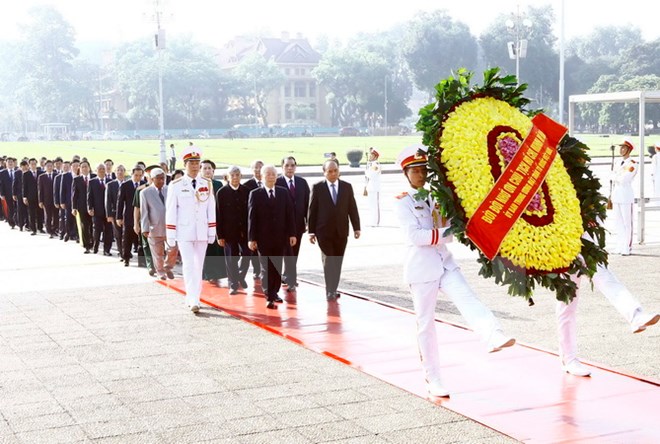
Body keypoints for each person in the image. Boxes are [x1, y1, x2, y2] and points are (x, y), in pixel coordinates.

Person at [394, 144, 515, 398]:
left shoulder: (436, 196)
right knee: (425, 325)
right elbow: (416, 236)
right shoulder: (402, 202)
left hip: (444, 262)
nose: (420, 174)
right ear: (405, 173)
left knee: (467, 297)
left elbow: (448, 224)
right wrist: (446, 234)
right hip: (421, 269)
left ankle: (493, 335)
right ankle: (433, 378)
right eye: (414, 170)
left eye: (423, 169)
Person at [557, 261, 660, 377]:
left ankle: (635, 315)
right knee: (567, 304)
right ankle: (569, 359)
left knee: (606, 278)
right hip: (561, 252)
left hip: (586, 247)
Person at [166, 147, 217, 313]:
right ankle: (192, 298)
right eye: (191, 163)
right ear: (185, 164)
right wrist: (171, 234)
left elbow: (211, 208)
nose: (195, 166)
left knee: (198, 266)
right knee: (188, 265)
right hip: (184, 231)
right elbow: (171, 210)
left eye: (197, 163)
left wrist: (212, 231)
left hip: (202, 231)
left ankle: (196, 296)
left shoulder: (206, 183)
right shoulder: (176, 185)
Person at [308, 159, 361, 300]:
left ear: (339, 171)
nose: (333, 174)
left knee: (337, 261)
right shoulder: (317, 187)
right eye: (329, 171)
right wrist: (311, 231)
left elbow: (352, 208)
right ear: (324, 172)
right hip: (323, 232)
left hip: (341, 231)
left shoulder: (347, 187)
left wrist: (357, 227)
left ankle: (334, 288)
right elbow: (312, 210)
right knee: (329, 260)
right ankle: (329, 290)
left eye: (335, 171)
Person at [248, 165, 296, 309]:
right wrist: (252, 238)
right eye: (267, 174)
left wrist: (292, 234)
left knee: (277, 266)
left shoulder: (283, 193)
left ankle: (274, 292)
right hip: (263, 238)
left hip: (280, 237)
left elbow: (289, 215)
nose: (270, 176)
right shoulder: (255, 194)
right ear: (262, 176)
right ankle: (269, 294)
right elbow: (252, 218)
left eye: (273, 174)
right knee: (266, 267)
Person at [276, 156, 310, 291]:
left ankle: (289, 276)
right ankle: (289, 278)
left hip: (298, 225)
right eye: (287, 166)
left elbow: (308, 204)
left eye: (292, 165)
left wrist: (308, 222)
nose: (290, 168)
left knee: (294, 252)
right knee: (286, 252)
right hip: (282, 226)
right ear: (282, 167)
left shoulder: (302, 182)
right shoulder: (277, 182)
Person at [216, 165, 250, 294]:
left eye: (237, 175)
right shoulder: (222, 193)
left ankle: (240, 275)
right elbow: (218, 215)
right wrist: (220, 235)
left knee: (247, 254)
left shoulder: (247, 191)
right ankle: (233, 284)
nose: (235, 177)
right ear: (227, 177)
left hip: (244, 232)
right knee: (232, 258)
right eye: (232, 175)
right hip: (228, 232)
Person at [141, 167, 178, 280]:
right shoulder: (145, 192)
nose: (162, 180)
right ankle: (160, 272)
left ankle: (168, 267)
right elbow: (144, 211)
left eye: (163, 178)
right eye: (159, 178)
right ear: (152, 179)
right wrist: (145, 228)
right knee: (157, 253)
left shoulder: (170, 189)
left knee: (173, 248)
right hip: (154, 227)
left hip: (170, 227)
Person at [200, 159, 227, 285]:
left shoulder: (218, 184)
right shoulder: (198, 184)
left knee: (217, 247)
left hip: (217, 221)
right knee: (206, 248)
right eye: (204, 168)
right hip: (203, 221)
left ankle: (219, 272)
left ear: (213, 170)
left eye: (209, 168)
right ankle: (208, 273)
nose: (207, 170)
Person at [610, 139, 638, 256]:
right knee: (618, 222)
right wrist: (616, 176)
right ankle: (619, 245)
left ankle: (627, 246)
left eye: (623, 148)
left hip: (626, 196)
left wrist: (615, 176)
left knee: (627, 223)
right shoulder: (617, 162)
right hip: (616, 195)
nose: (621, 150)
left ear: (629, 150)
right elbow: (612, 176)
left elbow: (624, 179)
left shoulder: (632, 163)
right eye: (620, 147)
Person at [116, 166, 145, 266]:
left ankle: (142, 261)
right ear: (132, 174)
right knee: (127, 239)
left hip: (142, 216)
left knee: (141, 240)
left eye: (140, 175)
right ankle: (126, 258)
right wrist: (118, 217)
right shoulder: (125, 185)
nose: (138, 177)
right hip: (128, 216)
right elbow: (119, 202)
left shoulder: (144, 185)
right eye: (136, 175)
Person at [243, 159, 264, 281]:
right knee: (254, 248)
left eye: (260, 167)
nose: (258, 170)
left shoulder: (269, 183)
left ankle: (263, 270)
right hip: (253, 222)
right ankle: (257, 270)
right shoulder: (247, 185)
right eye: (255, 168)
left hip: (265, 223)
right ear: (252, 170)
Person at [87, 163, 113, 256]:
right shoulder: (92, 182)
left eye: (103, 169)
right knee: (96, 230)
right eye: (100, 169)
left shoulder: (110, 182)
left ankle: (107, 250)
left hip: (108, 211)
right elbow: (89, 196)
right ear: (96, 170)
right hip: (97, 211)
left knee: (108, 231)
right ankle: (95, 246)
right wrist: (90, 208)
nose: (102, 170)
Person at [71, 161, 95, 253]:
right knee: (84, 226)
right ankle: (87, 245)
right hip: (82, 207)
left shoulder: (94, 178)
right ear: (80, 169)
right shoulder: (77, 180)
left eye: (86, 167)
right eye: (82, 167)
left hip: (93, 206)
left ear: (89, 168)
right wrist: (74, 207)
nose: (84, 168)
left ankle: (93, 242)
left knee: (93, 226)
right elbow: (74, 195)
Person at [37, 160, 57, 238]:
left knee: (55, 216)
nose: (49, 167)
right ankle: (49, 231)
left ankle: (54, 229)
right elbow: (40, 190)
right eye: (48, 166)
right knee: (48, 216)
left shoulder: (56, 175)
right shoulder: (41, 177)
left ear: (53, 166)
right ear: (45, 167)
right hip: (46, 200)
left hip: (55, 200)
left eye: (51, 166)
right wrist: (40, 201)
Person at [22, 158, 42, 235]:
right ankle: (33, 229)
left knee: (40, 213)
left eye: (34, 164)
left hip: (39, 197)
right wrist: (24, 197)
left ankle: (40, 228)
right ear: (29, 165)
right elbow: (24, 186)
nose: (33, 165)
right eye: (31, 164)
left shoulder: (41, 173)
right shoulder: (26, 174)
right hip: (30, 197)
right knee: (31, 213)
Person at [364, 147, 382, 227]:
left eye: (371, 155)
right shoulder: (370, 164)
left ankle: (376, 222)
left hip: (375, 187)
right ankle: (372, 221)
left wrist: (367, 170)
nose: (370, 157)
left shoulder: (376, 165)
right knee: (371, 205)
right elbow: (367, 178)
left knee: (375, 205)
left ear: (375, 156)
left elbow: (371, 175)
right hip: (370, 187)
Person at [0, 157, 17, 229]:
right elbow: (1, 184)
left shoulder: (18, 171)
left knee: (18, 208)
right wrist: (1, 194)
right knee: (10, 208)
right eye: (8, 162)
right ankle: (11, 223)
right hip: (7, 193)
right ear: (6, 163)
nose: (10, 163)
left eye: (11, 162)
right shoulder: (2, 172)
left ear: (14, 163)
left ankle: (18, 221)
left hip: (17, 193)